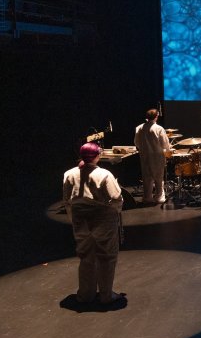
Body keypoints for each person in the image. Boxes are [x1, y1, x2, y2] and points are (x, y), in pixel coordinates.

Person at [62, 142, 125, 304]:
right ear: (97, 156)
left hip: (80, 218)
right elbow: (116, 198)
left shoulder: (69, 174)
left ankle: (85, 295)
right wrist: (115, 213)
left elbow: (67, 201)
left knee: (86, 257)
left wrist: (72, 218)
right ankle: (106, 295)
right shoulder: (104, 174)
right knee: (106, 257)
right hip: (102, 218)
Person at [134, 108, 171, 204]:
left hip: (144, 156)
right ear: (156, 117)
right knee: (158, 178)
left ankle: (147, 197)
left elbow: (136, 143)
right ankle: (159, 198)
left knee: (146, 178)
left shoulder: (139, 128)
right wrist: (168, 149)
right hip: (157, 156)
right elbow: (164, 144)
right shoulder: (159, 129)